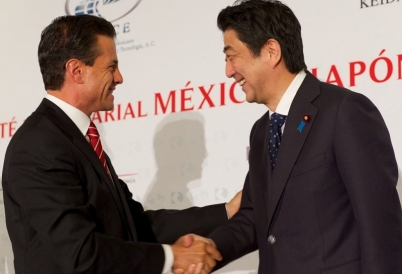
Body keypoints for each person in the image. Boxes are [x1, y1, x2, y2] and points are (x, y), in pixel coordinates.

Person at [1, 15, 242, 274]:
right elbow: (80, 253)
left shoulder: (76, 138)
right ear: (76, 71)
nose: (119, 77)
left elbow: (135, 225)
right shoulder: (39, 144)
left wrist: (227, 211)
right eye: (111, 67)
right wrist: (172, 257)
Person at [187, 0, 402, 273]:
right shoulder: (261, 132)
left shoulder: (344, 112)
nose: (228, 71)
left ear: (271, 51)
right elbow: (256, 216)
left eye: (231, 56)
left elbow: (379, 223)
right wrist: (208, 248)